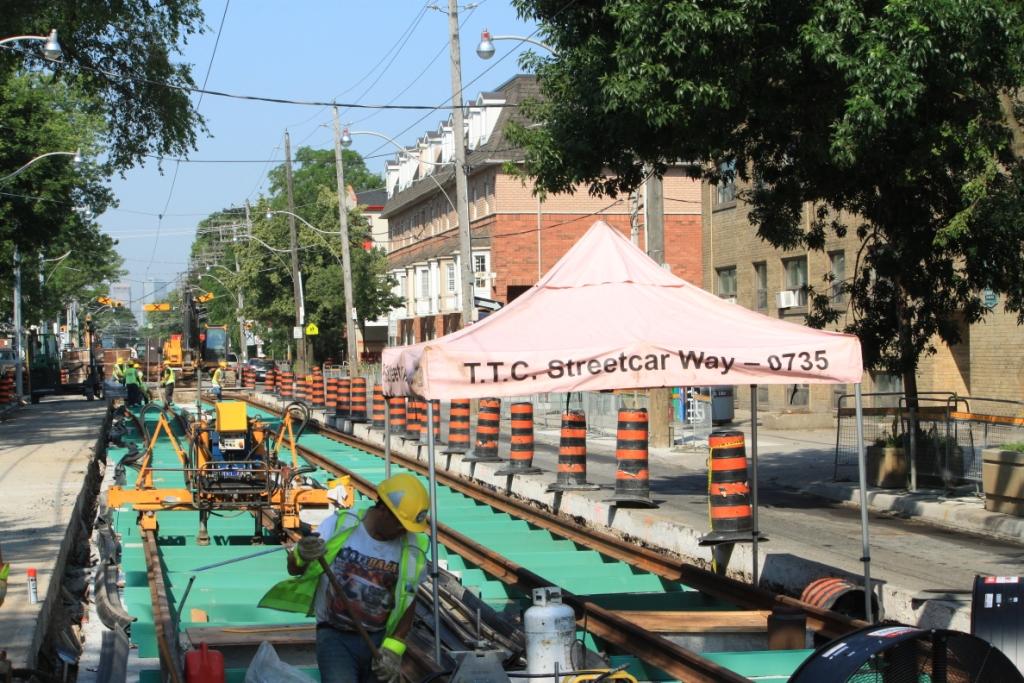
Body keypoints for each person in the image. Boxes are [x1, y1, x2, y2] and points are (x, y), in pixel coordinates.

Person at [260, 473, 430, 683]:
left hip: (378, 639)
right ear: (384, 509)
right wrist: (301, 555)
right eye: (400, 524)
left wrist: (394, 649)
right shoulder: (340, 525)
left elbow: (409, 601)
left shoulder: (411, 548)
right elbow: (294, 569)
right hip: (335, 635)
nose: (403, 531)